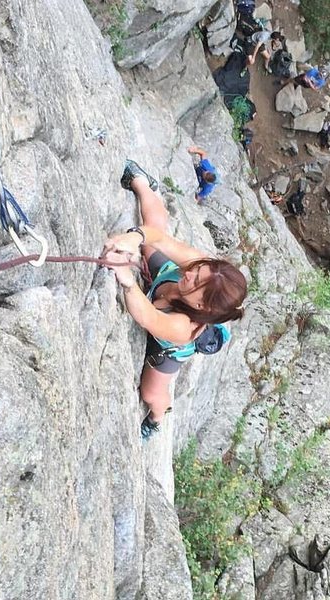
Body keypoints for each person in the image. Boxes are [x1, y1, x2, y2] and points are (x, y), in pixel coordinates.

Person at [103, 160, 247, 441]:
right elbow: (161, 238)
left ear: (201, 307)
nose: (191, 274)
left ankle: (157, 418)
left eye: (196, 281)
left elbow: (149, 317)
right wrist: (134, 238)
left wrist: (126, 278)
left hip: (166, 349)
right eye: (197, 270)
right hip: (162, 282)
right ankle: (142, 181)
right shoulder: (195, 269)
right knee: (152, 230)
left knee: (151, 393)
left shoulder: (184, 328)